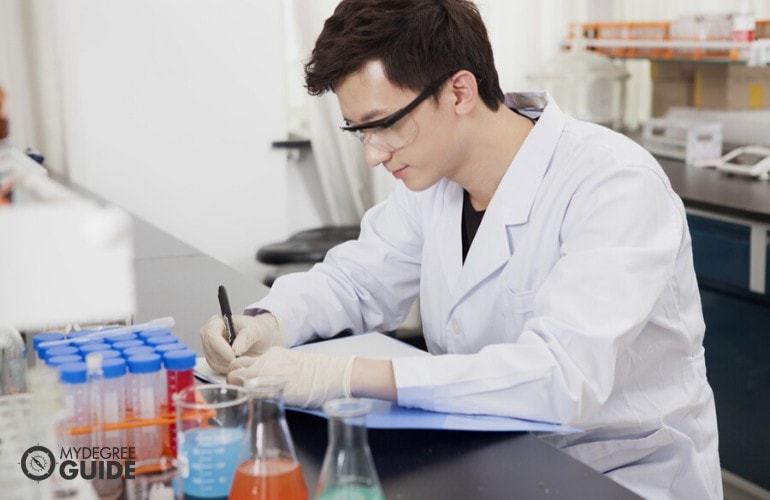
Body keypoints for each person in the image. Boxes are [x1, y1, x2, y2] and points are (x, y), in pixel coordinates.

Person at [201, 1, 721, 497]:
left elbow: (561, 377)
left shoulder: (613, 185)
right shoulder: (432, 179)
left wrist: (343, 375)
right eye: (359, 131)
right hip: (487, 452)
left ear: (459, 91)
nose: (373, 155)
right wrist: (267, 320)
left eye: (383, 125)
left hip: (616, 473)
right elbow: (356, 281)